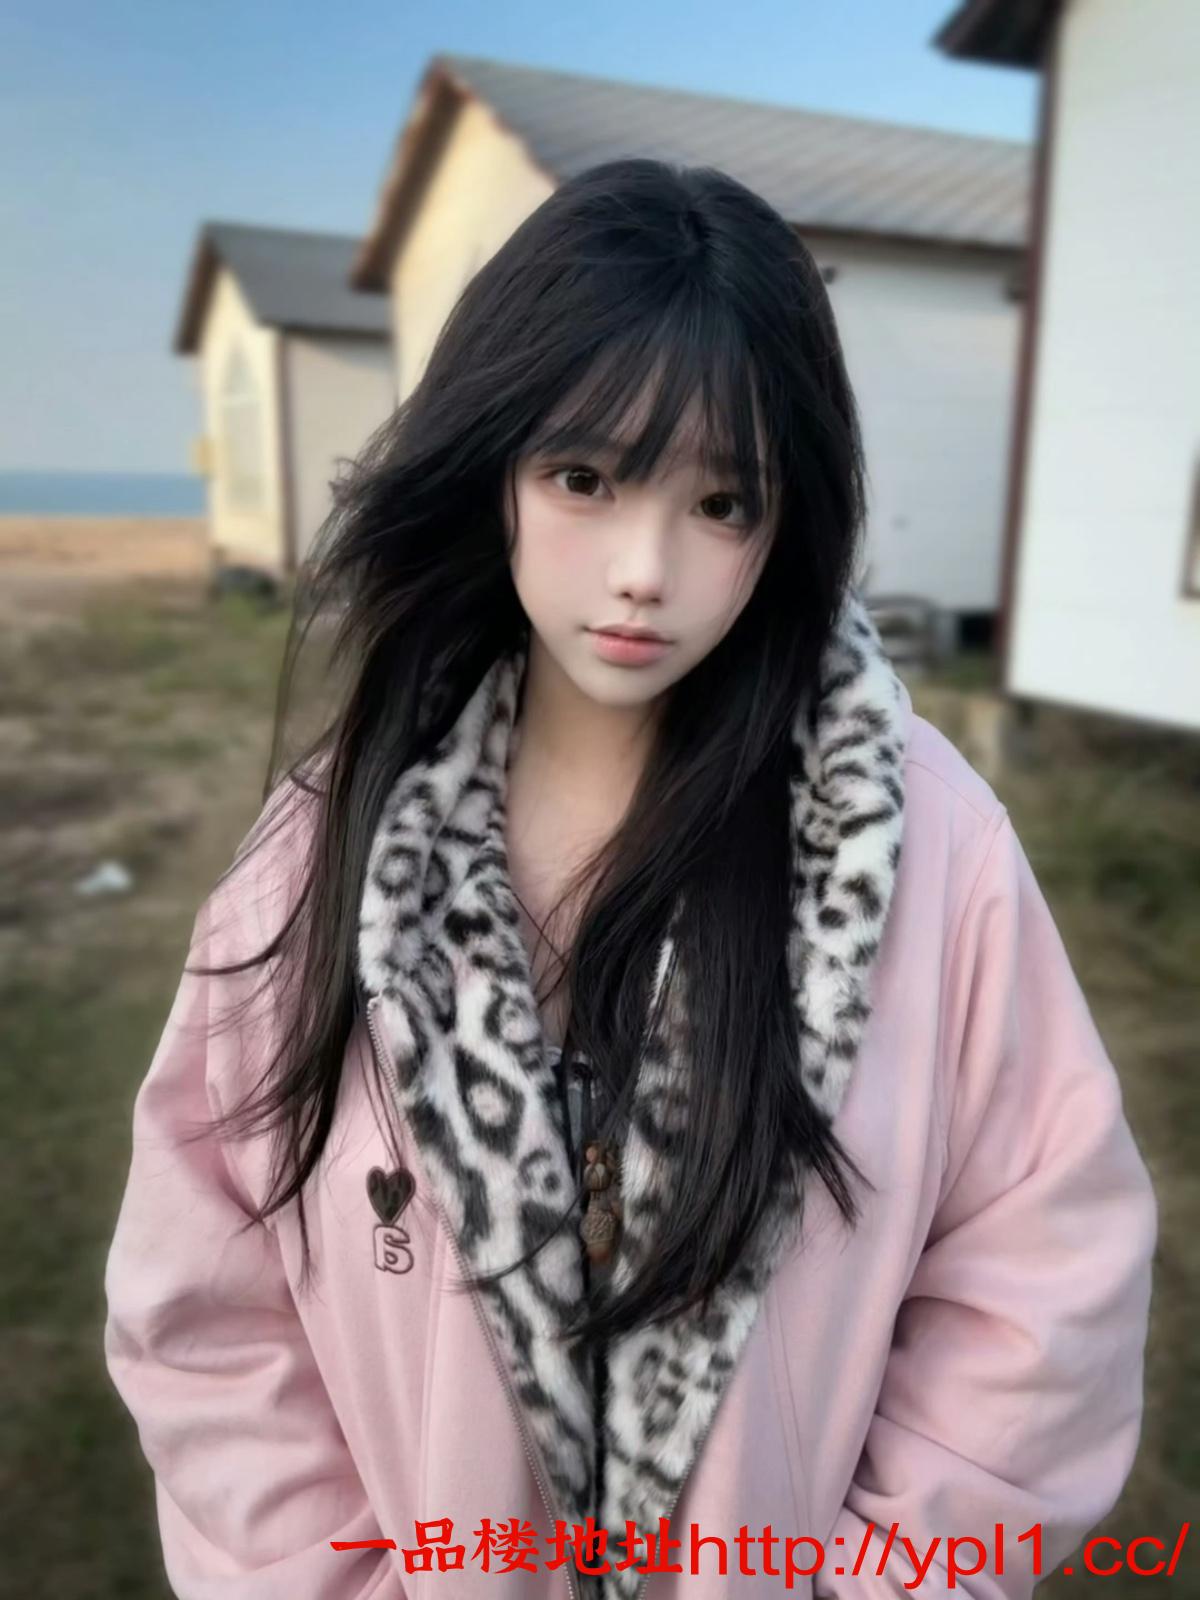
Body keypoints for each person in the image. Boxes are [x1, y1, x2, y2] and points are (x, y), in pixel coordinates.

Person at [102, 158, 1156, 1600]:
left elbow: (1043, 1291)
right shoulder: (326, 846)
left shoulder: (930, 855)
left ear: (790, 517)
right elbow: (206, 1310)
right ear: (495, 465)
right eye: (586, 479)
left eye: (722, 501)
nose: (645, 568)